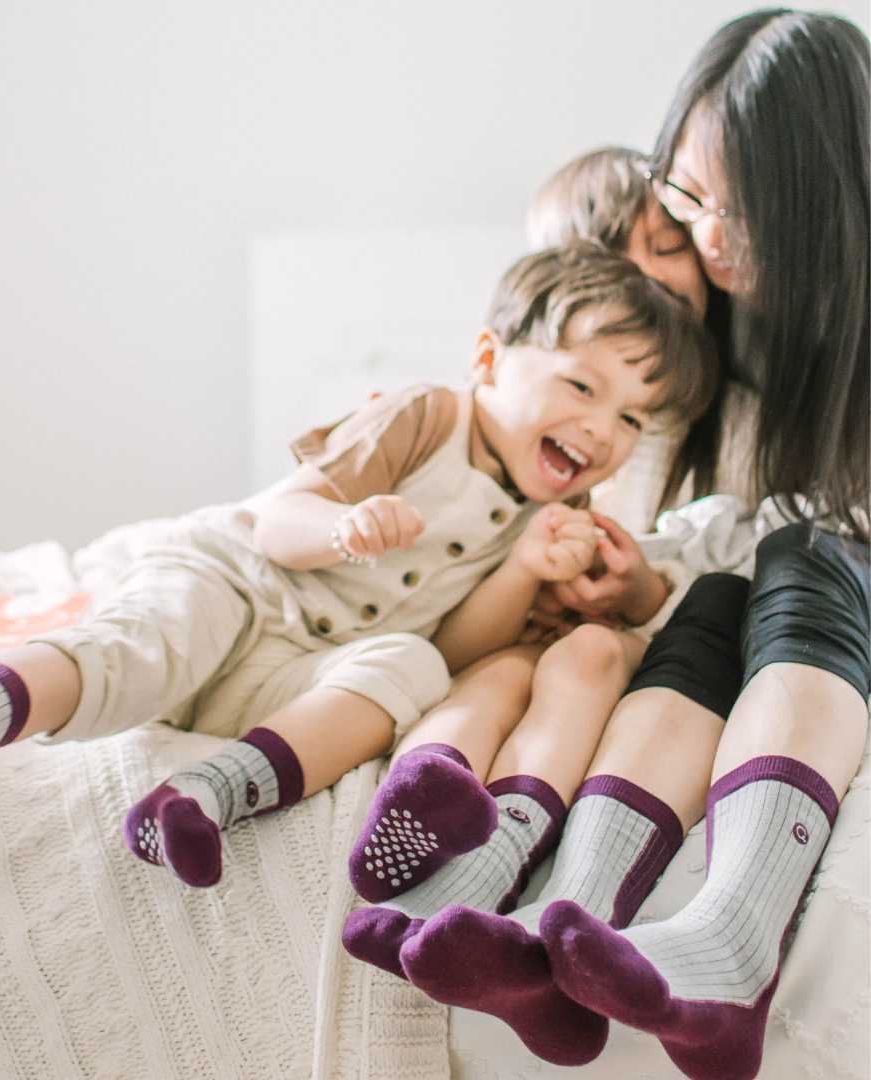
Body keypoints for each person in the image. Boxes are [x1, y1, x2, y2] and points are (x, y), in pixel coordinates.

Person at [0, 243, 715, 892]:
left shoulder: (558, 517)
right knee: (151, 638)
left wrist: (523, 568)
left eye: (636, 421)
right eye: (582, 388)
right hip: (246, 585)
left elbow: (453, 649)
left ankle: (209, 795)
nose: (604, 432)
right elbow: (279, 519)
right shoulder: (425, 416)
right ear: (488, 360)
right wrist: (345, 530)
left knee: (406, 669)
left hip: (298, 665)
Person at [346, 11, 870, 1080]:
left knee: (796, 557)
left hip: (828, 600)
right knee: (713, 602)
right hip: (715, 606)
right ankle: (560, 924)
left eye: (740, 209)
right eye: (690, 197)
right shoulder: (675, 323)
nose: (708, 241)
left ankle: (729, 935)